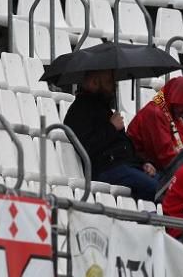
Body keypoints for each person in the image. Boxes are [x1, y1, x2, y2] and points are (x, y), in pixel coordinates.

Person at [63, 70, 159, 201]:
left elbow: (122, 145)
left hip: (124, 166)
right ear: (94, 83)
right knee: (158, 189)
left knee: (168, 185)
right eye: (109, 82)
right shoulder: (78, 111)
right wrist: (112, 127)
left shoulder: (102, 108)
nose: (114, 87)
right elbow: (87, 147)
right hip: (107, 170)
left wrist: (143, 163)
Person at [127, 76, 183, 172]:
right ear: (176, 101)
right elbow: (166, 157)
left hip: (158, 165)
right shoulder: (155, 112)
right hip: (140, 165)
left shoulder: (173, 109)